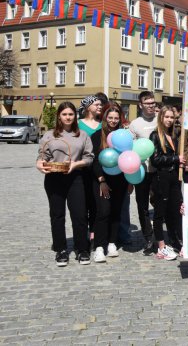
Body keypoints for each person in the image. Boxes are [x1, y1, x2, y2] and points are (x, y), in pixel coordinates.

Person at [37, 102, 94, 266]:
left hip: (76, 177)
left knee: (79, 214)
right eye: (64, 114)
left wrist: (76, 164)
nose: (68, 117)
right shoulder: (49, 135)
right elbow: (42, 157)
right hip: (54, 178)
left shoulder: (82, 135)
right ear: (59, 117)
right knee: (57, 214)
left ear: (75, 116)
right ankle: (61, 249)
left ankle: (82, 248)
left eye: (71, 114)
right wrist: (39, 164)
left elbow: (89, 157)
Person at [90, 104, 133, 263]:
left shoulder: (124, 136)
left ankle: (112, 243)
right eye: (110, 118)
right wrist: (101, 180)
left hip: (120, 180)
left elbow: (129, 156)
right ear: (105, 118)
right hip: (102, 180)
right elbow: (94, 161)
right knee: (103, 212)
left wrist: (130, 180)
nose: (113, 121)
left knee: (116, 212)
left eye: (116, 118)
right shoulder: (96, 136)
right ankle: (99, 247)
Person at [149, 106, 185, 261]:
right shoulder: (155, 135)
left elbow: (176, 157)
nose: (170, 120)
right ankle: (161, 246)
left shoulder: (173, 134)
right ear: (161, 117)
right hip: (160, 178)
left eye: (172, 117)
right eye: (167, 117)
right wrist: (175, 159)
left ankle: (176, 242)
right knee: (160, 213)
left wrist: (182, 164)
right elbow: (155, 160)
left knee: (176, 210)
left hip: (173, 178)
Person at [128, 91, 156, 255]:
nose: (152, 106)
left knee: (160, 204)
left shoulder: (161, 119)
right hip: (142, 171)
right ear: (141, 105)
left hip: (159, 169)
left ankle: (160, 235)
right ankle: (148, 238)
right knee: (142, 205)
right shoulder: (135, 124)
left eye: (153, 103)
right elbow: (130, 150)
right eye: (148, 103)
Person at [78, 95, 103, 244]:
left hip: (98, 168)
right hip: (81, 168)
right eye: (97, 104)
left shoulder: (102, 124)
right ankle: (83, 232)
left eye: (101, 104)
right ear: (88, 107)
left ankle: (93, 231)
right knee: (82, 202)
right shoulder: (78, 124)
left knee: (95, 202)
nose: (100, 106)